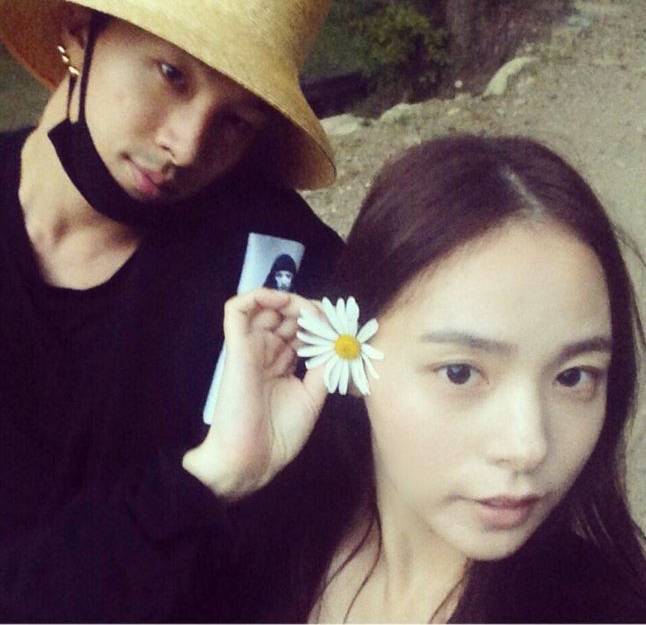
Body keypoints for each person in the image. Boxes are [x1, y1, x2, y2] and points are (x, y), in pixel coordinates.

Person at [182, 135, 646, 622]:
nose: (528, 447)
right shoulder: (271, 537)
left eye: (573, 377)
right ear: (350, 352)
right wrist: (216, 476)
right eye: (460, 373)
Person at [0, 0, 343, 621]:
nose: (185, 146)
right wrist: (196, 487)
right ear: (79, 35)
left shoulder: (276, 266)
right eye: (171, 74)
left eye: (236, 120)